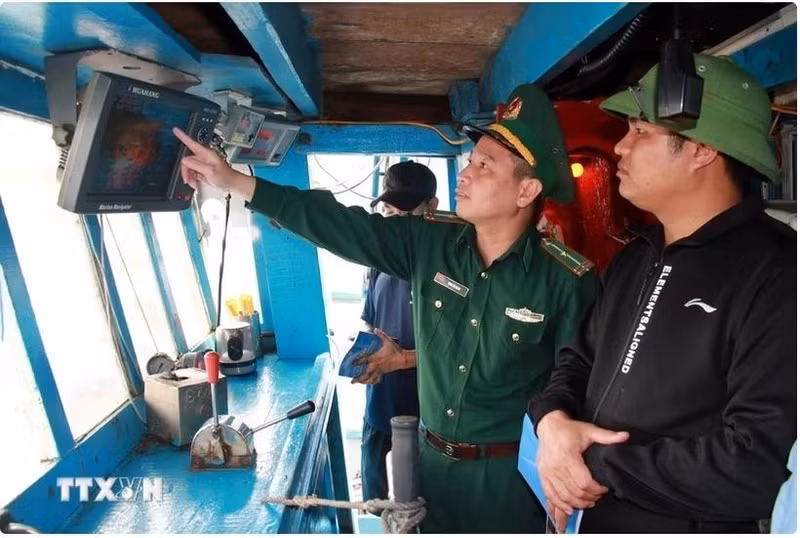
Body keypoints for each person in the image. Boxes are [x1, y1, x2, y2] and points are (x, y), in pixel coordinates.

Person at [173, 82, 597, 533]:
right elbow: (337, 224)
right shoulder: (427, 241)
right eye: (470, 161)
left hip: (507, 485)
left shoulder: (567, 280)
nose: (466, 174)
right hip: (428, 470)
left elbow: (578, 387)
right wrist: (234, 182)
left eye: (484, 166)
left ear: (526, 190)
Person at [529, 54, 797, 533]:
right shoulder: (636, 255)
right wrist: (551, 421)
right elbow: (578, 360)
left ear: (702, 150)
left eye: (640, 132)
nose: (620, 148)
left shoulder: (777, 272)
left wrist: (592, 462)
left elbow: (757, 463)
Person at [355, 161, 438, 506]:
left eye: (407, 211)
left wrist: (404, 359)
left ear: (431, 207)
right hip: (381, 395)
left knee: (422, 496)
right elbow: (371, 322)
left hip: (429, 403)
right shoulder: (379, 258)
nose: (396, 221)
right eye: (389, 210)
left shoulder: (447, 261)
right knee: (376, 496)